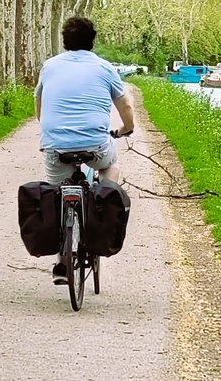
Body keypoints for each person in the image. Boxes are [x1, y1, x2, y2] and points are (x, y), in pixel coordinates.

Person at [34, 16, 135, 284]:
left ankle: (61, 260)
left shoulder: (49, 66)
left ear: (64, 41)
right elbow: (125, 106)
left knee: (57, 194)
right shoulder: (104, 67)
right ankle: (103, 202)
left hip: (55, 145)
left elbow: (39, 105)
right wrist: (126, 129)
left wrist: (51, 129)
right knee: (111, 164)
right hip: (95, 145)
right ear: (93, 41)